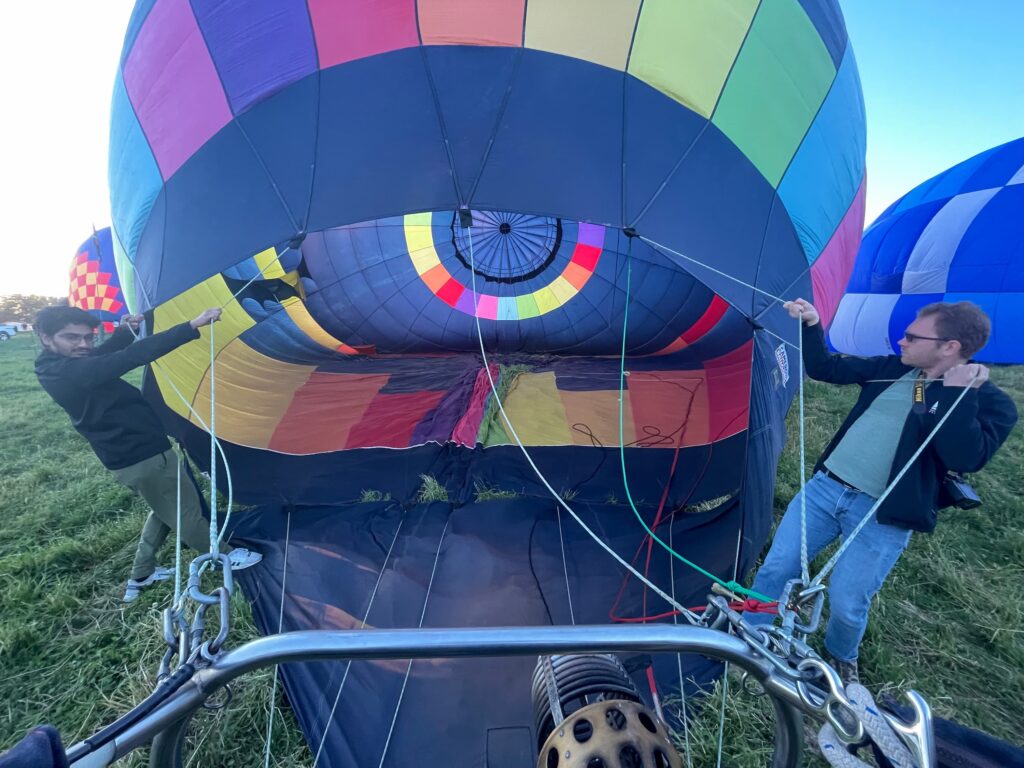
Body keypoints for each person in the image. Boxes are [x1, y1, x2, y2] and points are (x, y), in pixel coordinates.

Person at [748, 299, 1017, 683]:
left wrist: (961, 395)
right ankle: (749, 635)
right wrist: (812, 325)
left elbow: (965, 455)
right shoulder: (893, 368)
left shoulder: (993, 404)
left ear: (950, 346)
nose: (901, 341)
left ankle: (841, 658)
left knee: (846, 601)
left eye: (912, 336)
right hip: (827, 489)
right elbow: (825, 368)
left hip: (882, 513)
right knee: (778, 566)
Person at [34, 306, 262, 602]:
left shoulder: (56, 365)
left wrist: (121, 332)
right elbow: (126, 358)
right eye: (71, 337)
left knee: (164, 506)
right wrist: (191, 325)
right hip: (141, 454)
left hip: (128, 455)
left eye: (87, 338)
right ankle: (223, 556)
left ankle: (141, 574)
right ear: (45, 337)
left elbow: (100, 358)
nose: (83, 345)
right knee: (185, 513)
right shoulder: (70, 373)